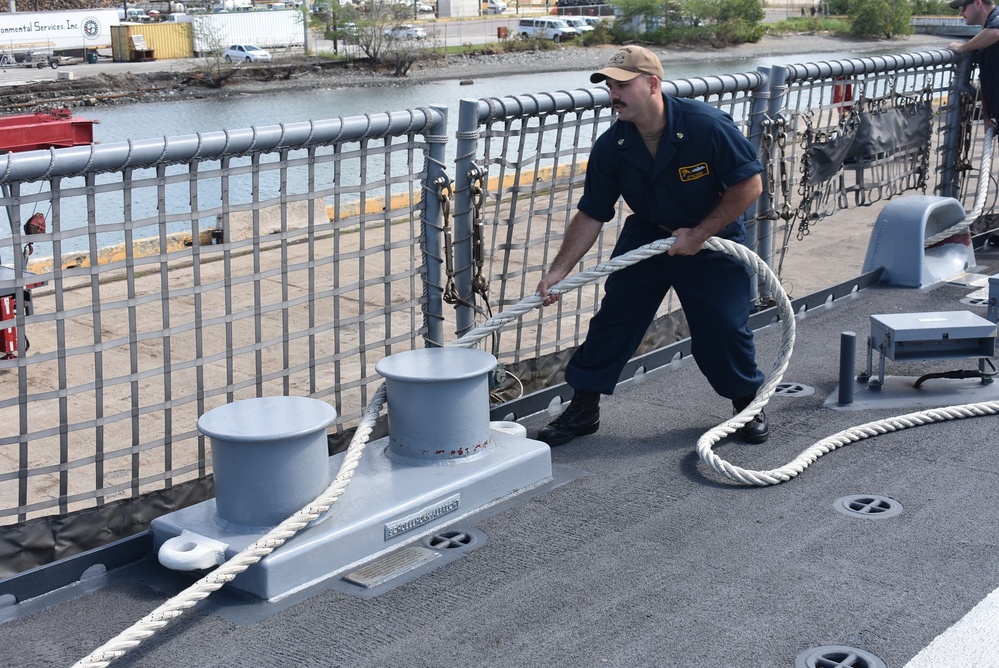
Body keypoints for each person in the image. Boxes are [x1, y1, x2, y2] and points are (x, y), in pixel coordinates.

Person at [535, 46, 768, 447]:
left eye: (622, 85)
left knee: (724, 329)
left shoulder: (706, 127)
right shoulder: (613, 145)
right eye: (610, 85)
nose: (614, 94)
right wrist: (557, 272)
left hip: (713, 238)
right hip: (648, 234)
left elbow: (749, 185)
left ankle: (746, 402)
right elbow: (592, 213)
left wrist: (698, 235)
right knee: (615, 320)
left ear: (653, 84)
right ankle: (585, 404)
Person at [949, 0, 999, 135]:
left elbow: (996, 33)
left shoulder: (996, 20)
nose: (960, 13)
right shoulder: (985, 36)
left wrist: (963, 48)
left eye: (962, 7)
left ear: (978, 3)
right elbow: (985, 77)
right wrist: (987, 117)